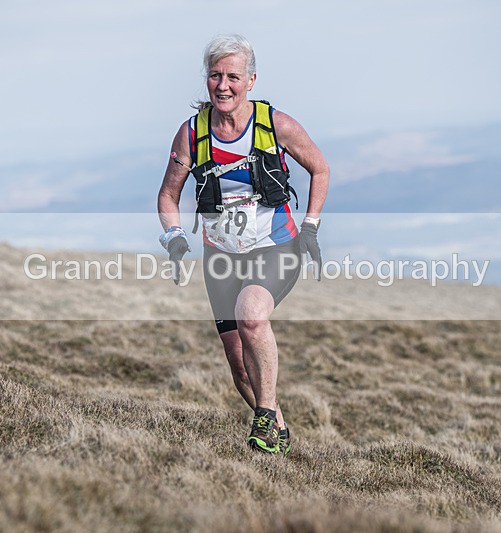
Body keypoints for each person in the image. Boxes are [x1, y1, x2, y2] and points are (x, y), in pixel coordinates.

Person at [157, 34, 329, 455]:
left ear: (251, 80)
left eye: (233, 76)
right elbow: (168, 195)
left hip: (276, 246)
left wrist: (310, 226)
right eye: (215, 76)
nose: (223, 85)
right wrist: (176, 239)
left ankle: (265, 419)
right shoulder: (192, 133)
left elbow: (320, 170)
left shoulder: (277, 125)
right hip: (220, 258)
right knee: (238, 363)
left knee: (251, 314)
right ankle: (278, 430)